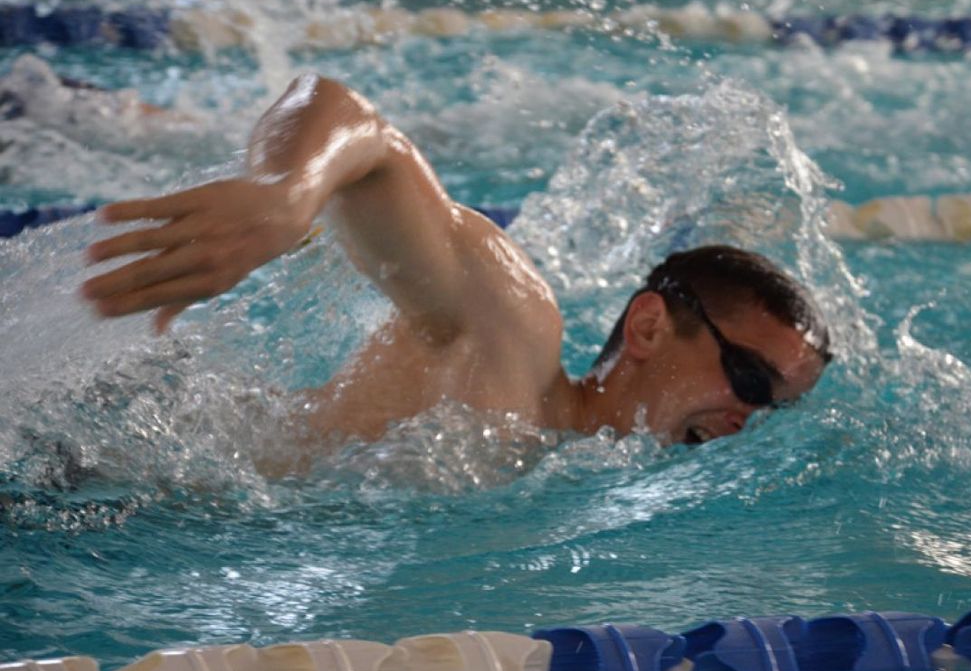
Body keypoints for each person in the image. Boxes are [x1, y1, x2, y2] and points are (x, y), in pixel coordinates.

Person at [80, 74, 831, 454]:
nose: (748, 418)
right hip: (97, 469)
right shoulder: (512, 336)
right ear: (648, 326)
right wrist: (286, 193)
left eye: (773, 406)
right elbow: (351, 118)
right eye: (750, 379)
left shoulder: (556, 467)